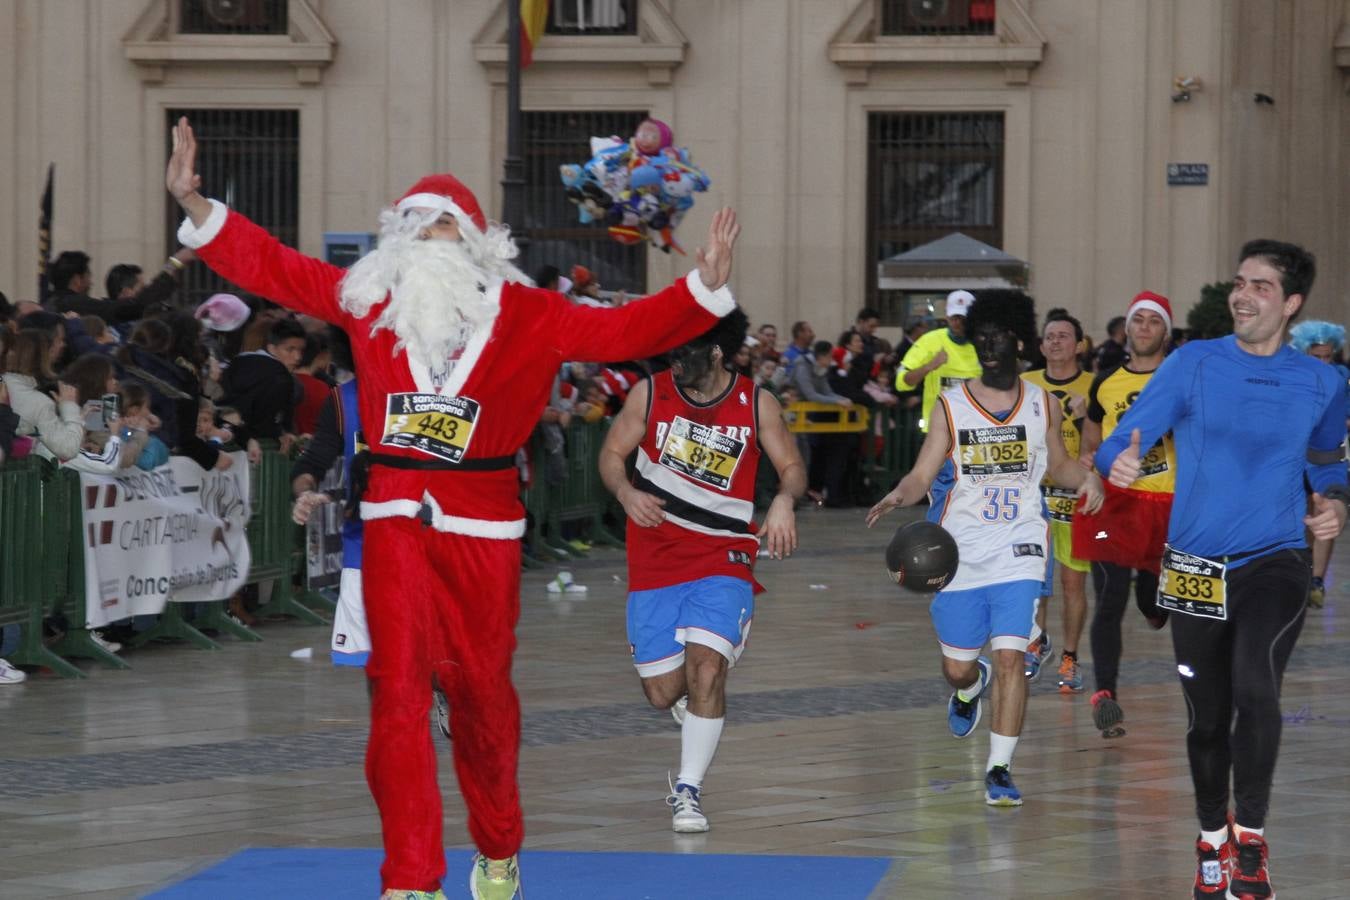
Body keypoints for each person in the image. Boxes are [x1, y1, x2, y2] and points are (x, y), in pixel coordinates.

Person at [166, 116, 741, 900]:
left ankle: (499, 843)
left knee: (480, 695)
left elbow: (620, 331)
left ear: (475, 239)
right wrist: (199, 205)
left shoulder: (528, 313)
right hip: (396, 515)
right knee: (397, 693)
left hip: (485, 525)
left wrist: (699, 288)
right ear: (396, 239)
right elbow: (274, 266)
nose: (430, 234)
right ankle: (410, 877)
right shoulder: (367, 298)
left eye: (446, 223)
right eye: (415, 223)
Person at [1096, 240, 1348, 900]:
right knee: (1207, 718)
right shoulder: (1194, 364)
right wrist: (1118, 461)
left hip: (1276, 560)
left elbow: (1325, 462)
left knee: (1255, 688)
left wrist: (1334, 505)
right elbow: (1122, 439)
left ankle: (1253, 844)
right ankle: (1212, 837)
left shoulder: (1324, 381)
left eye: (1260, 286)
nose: (1243, 294)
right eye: (1239, 282)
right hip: (1194, 566)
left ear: (1291, 303)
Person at [867, 290, 1103, 807]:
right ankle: (971, 688)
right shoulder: (951, 404)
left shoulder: (1042, 402)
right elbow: (922, 473)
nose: (991, 347)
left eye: (1000, 338)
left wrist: (1086, 479)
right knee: (957, 666)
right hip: (959, 550)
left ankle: (999, 768)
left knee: (1013, 656)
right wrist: (899, 494)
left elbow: (1057, 466)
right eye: (983, 339)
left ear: (1019, 342)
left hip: (1019, 544)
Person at [598, 309, 805, 833]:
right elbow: (612, 452)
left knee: (709, 669)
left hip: (724, 555)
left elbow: (793, 466)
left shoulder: (756, 402)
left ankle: (688, 790)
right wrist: (625, 491)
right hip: (654, 555)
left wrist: (784, 500)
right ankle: (690, 699)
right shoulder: (650, 393)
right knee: (663, 693)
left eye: (684, 353)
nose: (674, 362)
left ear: (715, 353)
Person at [1074, 292, 1175, 739]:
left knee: (1153, 600)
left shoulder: (1180, 380)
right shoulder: (1104, 383)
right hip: (1115, 504)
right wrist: (1090, 473)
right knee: (1109, 596)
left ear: (1165, 331)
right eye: (1139, 320)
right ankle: (1106, 697)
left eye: (1155, 321)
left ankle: (1153, 602)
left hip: (1169, 505)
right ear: (1128, 328)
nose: (1146, 327)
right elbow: (1091, 443)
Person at [1020, 310, 1094, 692]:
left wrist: (1083, 422)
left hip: (1076, 496)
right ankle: (1035, 643)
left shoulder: (1094, 387)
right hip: (1034, 496)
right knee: (1036, 580)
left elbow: (1099, 446)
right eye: (1050, 336)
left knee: (1071, 583)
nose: (1056, 342)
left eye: (1064, 335)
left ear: (1079, 344)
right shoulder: (1024, 384)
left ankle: (1070, 657)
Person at [1287, 319, 1350, 608]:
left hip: (1328, 459)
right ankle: (1305, 570)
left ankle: (1317, 581)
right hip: (1294, 460)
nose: (1324, 362)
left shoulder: (1341, 378)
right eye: (1317, 357)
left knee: (1325, 514)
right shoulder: (1291, 378)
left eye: (1328, 356)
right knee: (1304, 518)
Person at [896, 289, 980, 432]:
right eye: (954, 317)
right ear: (947, 316)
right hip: (939, 429)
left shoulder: (984, 343)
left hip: (976, 428)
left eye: (963, 318)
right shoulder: (929, 341)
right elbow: (902, 382)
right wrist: (929, 367)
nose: (958, 323)